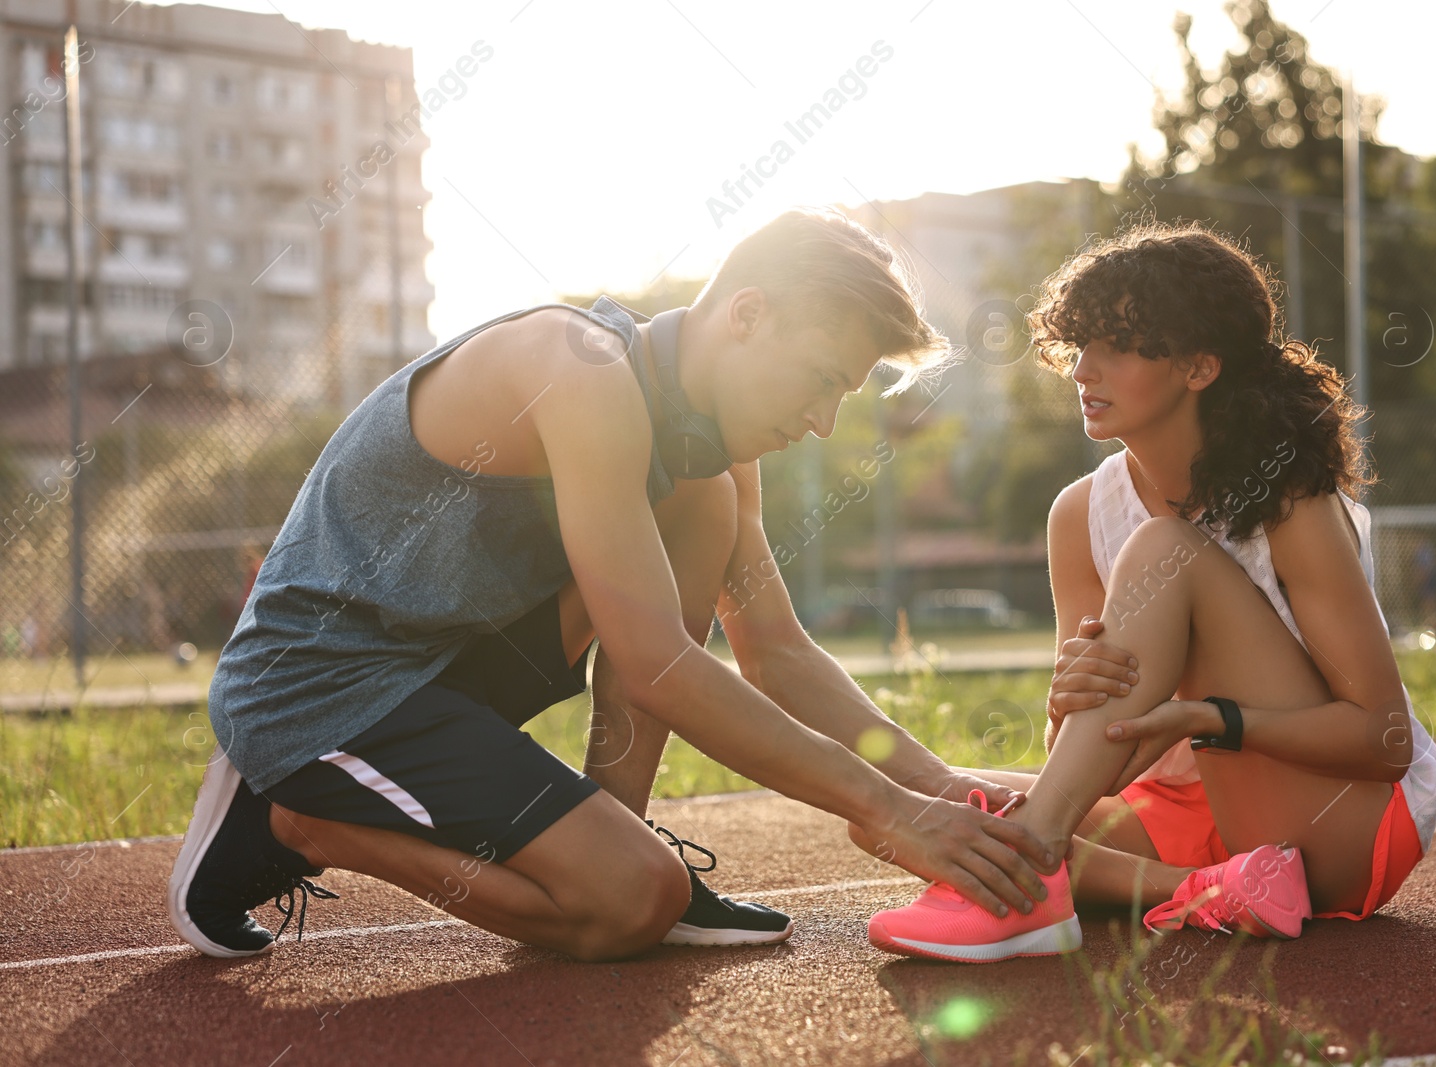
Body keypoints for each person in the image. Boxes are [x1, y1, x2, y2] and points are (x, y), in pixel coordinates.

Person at [168, 208, 1057, 962]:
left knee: (701, 504)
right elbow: (660, 663)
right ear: (746, 314)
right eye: (824, 380)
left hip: (434, 668)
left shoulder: (706, 454)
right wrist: (890, 811)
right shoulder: (581, 370)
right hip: (321, 688)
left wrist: (940, 789)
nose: (823, 422)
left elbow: (778, 651)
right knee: (630, 901)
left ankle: (623, 830)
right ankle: (294, 821)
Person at [867, 223, 1436, 962]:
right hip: (1184, 814)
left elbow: (1385, 741)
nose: (1085, 369)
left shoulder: (1291, 500)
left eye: (1117, 346)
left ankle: (1031, 875)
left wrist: (1213, 718)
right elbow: (1086, 758)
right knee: (906, 813)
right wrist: (1065, 704)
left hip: (1336, 819)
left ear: (1199, 366)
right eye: (1080, 345)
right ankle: (1197, 887)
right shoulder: (1078, 515)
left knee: (1167, 549)